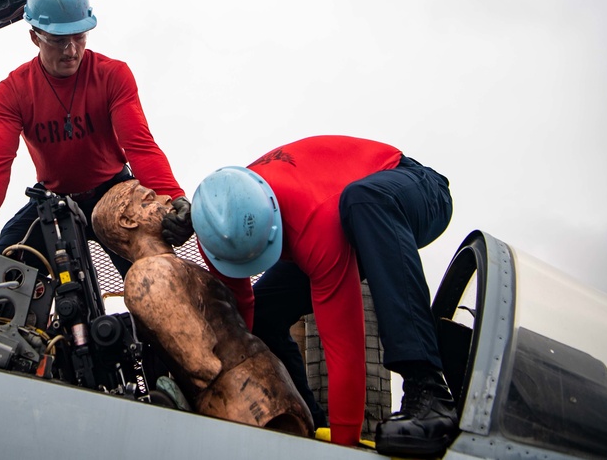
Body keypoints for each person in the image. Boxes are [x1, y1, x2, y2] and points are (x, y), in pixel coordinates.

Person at [190, 135, 457, 457]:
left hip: (412, 187)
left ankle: (428, 388)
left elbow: (344, 345)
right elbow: (243, 316)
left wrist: (343, 445)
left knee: (365, 200)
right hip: (343, 221)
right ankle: (307, 421)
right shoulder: (216, 229)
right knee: (263, 318)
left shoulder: (316, 222)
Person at [0, 0, 192, 276]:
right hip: (55, 199)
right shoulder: (13, 92)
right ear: (35, 37)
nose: (72, 51)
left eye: (79, 37)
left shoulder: (112, 75)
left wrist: (174, 197)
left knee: (156, 274)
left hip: (113, 191)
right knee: (6, 271)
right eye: (58, 40)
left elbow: (139, 146)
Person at [91, 179, 314, 437]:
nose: (167, 198)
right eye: (150, 199)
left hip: (262, 395)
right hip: (242, 400)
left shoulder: (178, 266)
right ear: (128, 221)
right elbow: (200, 364)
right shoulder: (148, 273)